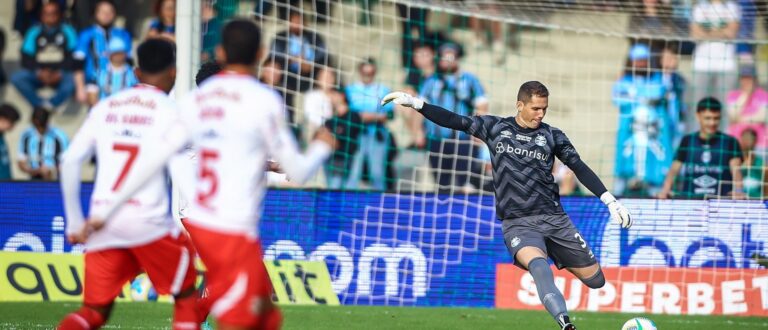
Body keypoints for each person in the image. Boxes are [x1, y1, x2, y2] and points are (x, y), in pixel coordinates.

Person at [382, 81, 632, 330]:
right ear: (519, 105)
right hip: (518, 224)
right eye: (535, 108)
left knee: (596, 281)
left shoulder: (552, 136)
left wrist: (609, 200)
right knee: (538, 266)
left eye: (544, 108)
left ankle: (556, 253)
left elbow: (579, 167)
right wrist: (416, 104)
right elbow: (453, 120)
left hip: (555, 219)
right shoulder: (494, 127)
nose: (541, 114)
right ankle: (565, 323)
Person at [176, 20, 334, 329]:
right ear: (261, 53)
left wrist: (271, 166)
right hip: (226, 219)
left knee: (247, 293)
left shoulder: (192, 106)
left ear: (222, 52)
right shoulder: (261, 101)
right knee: (257, 301)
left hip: (196, 212)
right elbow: (299, 170)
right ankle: (192, 320)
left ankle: (198, 321)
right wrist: (322, 147)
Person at [56, 39, 200, 330]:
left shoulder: (105, 108)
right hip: (150, 223)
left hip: (103, 222)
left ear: (135, 72)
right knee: (186, 297)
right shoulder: (173, 113)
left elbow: (70, 161)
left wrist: (74, 223)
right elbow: (183, 166)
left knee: (94, 311)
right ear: (174, 72)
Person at [416, 42, 489, 191]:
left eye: (451, 56)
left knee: (466, 183)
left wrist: (479, 131)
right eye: (444, 57)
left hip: (463, 140)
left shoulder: (470, 80)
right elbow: (419, 107)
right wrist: (418, 131)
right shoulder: (431, 81)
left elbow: (481, 105)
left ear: (457, 58)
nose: (447, 60)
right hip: (436, 139)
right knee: (441, 183)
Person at [612, 43, 672, 197]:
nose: (641, 63)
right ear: (631, 61)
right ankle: (617, 196)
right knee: (624, 164)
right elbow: (617, 98)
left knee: (653, 167)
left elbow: (659, 92)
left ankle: (655, 194)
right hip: (630, 131)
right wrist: (643, 96)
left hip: (653, 132)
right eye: (637, 60)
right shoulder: (623, 80)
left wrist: (633, 95)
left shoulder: (657, 78)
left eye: (644, 60)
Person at [658, 97, 744, 199]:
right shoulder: (688, 141)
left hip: (720, 202)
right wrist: (666, 189)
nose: (712, 123)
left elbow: (736, 171)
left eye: (716, 118)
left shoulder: (730, 142)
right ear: (698, 116)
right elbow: (674, 170)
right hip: (691, 202)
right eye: (708, 118)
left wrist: (738, 191)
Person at [11, 1, 77, 110]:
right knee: (17, 78)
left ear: (60, 14)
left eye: (53, 13)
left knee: (73, 80)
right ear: (41, 16)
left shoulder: (68, 31)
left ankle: (52, 104)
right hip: (39, 74)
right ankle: (40, 104)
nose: (50, 17)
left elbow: (74, 55)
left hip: (61, 74)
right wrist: (39, 72)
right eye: (46, 14)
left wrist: (59, 73)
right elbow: (26, 57)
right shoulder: (33, 31)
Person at [689, 0, 741, 130]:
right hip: (702, 64)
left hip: (726, 65)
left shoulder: (732, 7)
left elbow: (731, 33)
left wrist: (707, 33)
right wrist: (721, 31)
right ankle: (697, 141)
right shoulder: (700, 7)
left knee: (725, 108)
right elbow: (695, 34)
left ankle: (724, 142)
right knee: (699, 106)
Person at [344, 58, 393, 190]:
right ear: (360, 72)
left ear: (375, 72)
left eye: (370, 73)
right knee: (353, 173)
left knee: (377, 173)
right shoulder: (349, 90)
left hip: (376, 135)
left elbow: (390, 114)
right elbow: (346, 112)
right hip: (355, 136)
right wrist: (369, 116)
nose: (367, 76)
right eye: (365, 73)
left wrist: (368, 117)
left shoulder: (383, 90)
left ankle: (380, 204)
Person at [73, 0, 133, 106]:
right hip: (94, 84)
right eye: (102, 11)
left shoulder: (123, 35)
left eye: (110, 11)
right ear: (95, 13)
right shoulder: (86, 35)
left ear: (115, 14)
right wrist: (80, 88)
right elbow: (78, 64)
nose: (106, 15)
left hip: (120, 83)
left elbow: (129, 61)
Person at [324, 91, 363, 189]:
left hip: (351, 159)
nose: (332, 97)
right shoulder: (330, 121)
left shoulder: (354, 116)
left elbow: (346, 133)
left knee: (348, 190)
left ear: (342, 96)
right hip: (334, 160)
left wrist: (335, 134)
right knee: (334, 188)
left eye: (334, 94)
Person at [17, 107, 69, 180]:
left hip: (56, 181)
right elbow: (21, 161)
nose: (40, 129)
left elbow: (67, 162)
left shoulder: (60, 136)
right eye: (36, 126)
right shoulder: (26, 135)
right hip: (34, 180)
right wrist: (33, 171)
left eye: (42, 126)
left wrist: (51, 171)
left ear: (48, 122)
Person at [726, 65, 767, 149]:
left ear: (755, 79)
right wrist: (745, 95)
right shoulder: (733, 95)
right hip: (736, 140)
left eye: (749, 78)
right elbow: (733, 116)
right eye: (744, 78)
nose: (746, 81)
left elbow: (763, 117)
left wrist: (740, 119)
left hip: (759, 141)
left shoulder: (763, 95)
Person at [88, 38, 138, 104]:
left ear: (125, 54)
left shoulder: (134, 74)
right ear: (109, 54)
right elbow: (92, 96)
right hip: (104, 111)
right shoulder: (98, 73)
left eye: (120, 53)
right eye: (115, 53)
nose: (118, 56)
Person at [739, 128, 766, 198]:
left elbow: (765, 183)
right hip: (739, 199)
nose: (747, 141)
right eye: (745, 138)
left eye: (750, 139)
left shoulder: (760, 162)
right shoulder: (735, 160)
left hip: (757, 199)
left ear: (755, 141)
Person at [0, 104, 21, 180]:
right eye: (12, 123)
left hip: (6, 184)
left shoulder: (2, 136)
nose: (13, 127)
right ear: (2, 119)